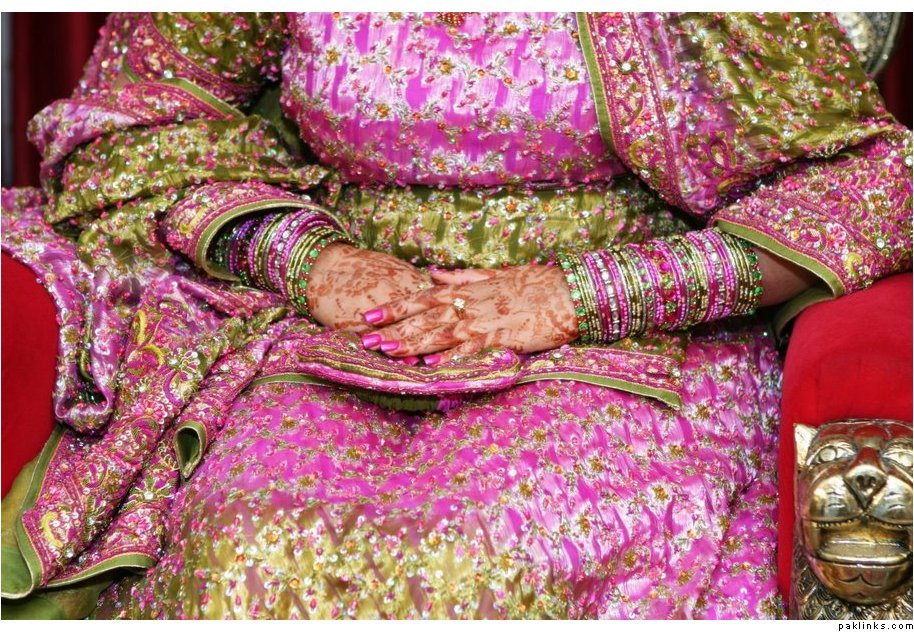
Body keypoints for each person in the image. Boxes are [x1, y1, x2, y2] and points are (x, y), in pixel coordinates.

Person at [1, 12, 909, 619]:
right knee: (246, 542)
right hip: (336, 322)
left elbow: (866, 180)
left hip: (623, 332)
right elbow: (130, 119)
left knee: (474, 554)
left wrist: (579, 294)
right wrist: (307, 259)